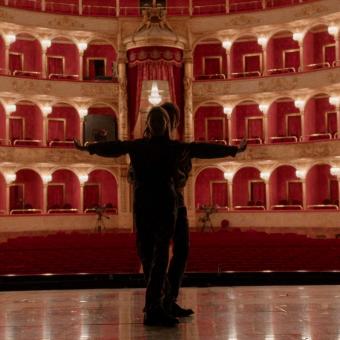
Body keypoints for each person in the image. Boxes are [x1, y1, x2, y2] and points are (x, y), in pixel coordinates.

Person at [74, 106, 247, 327]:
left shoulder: (142, 146)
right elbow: (115, 147)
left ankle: (155, 306)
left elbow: (200, 149)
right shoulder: (170, 147)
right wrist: (90, 148)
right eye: (155, 120)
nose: (156, 124)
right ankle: (157, 305)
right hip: (162, 202)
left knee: (154, 254)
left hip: (151, 202)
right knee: (153, 255)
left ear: (160, 125)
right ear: (157, 125)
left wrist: (89, 148)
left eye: (158, 120)